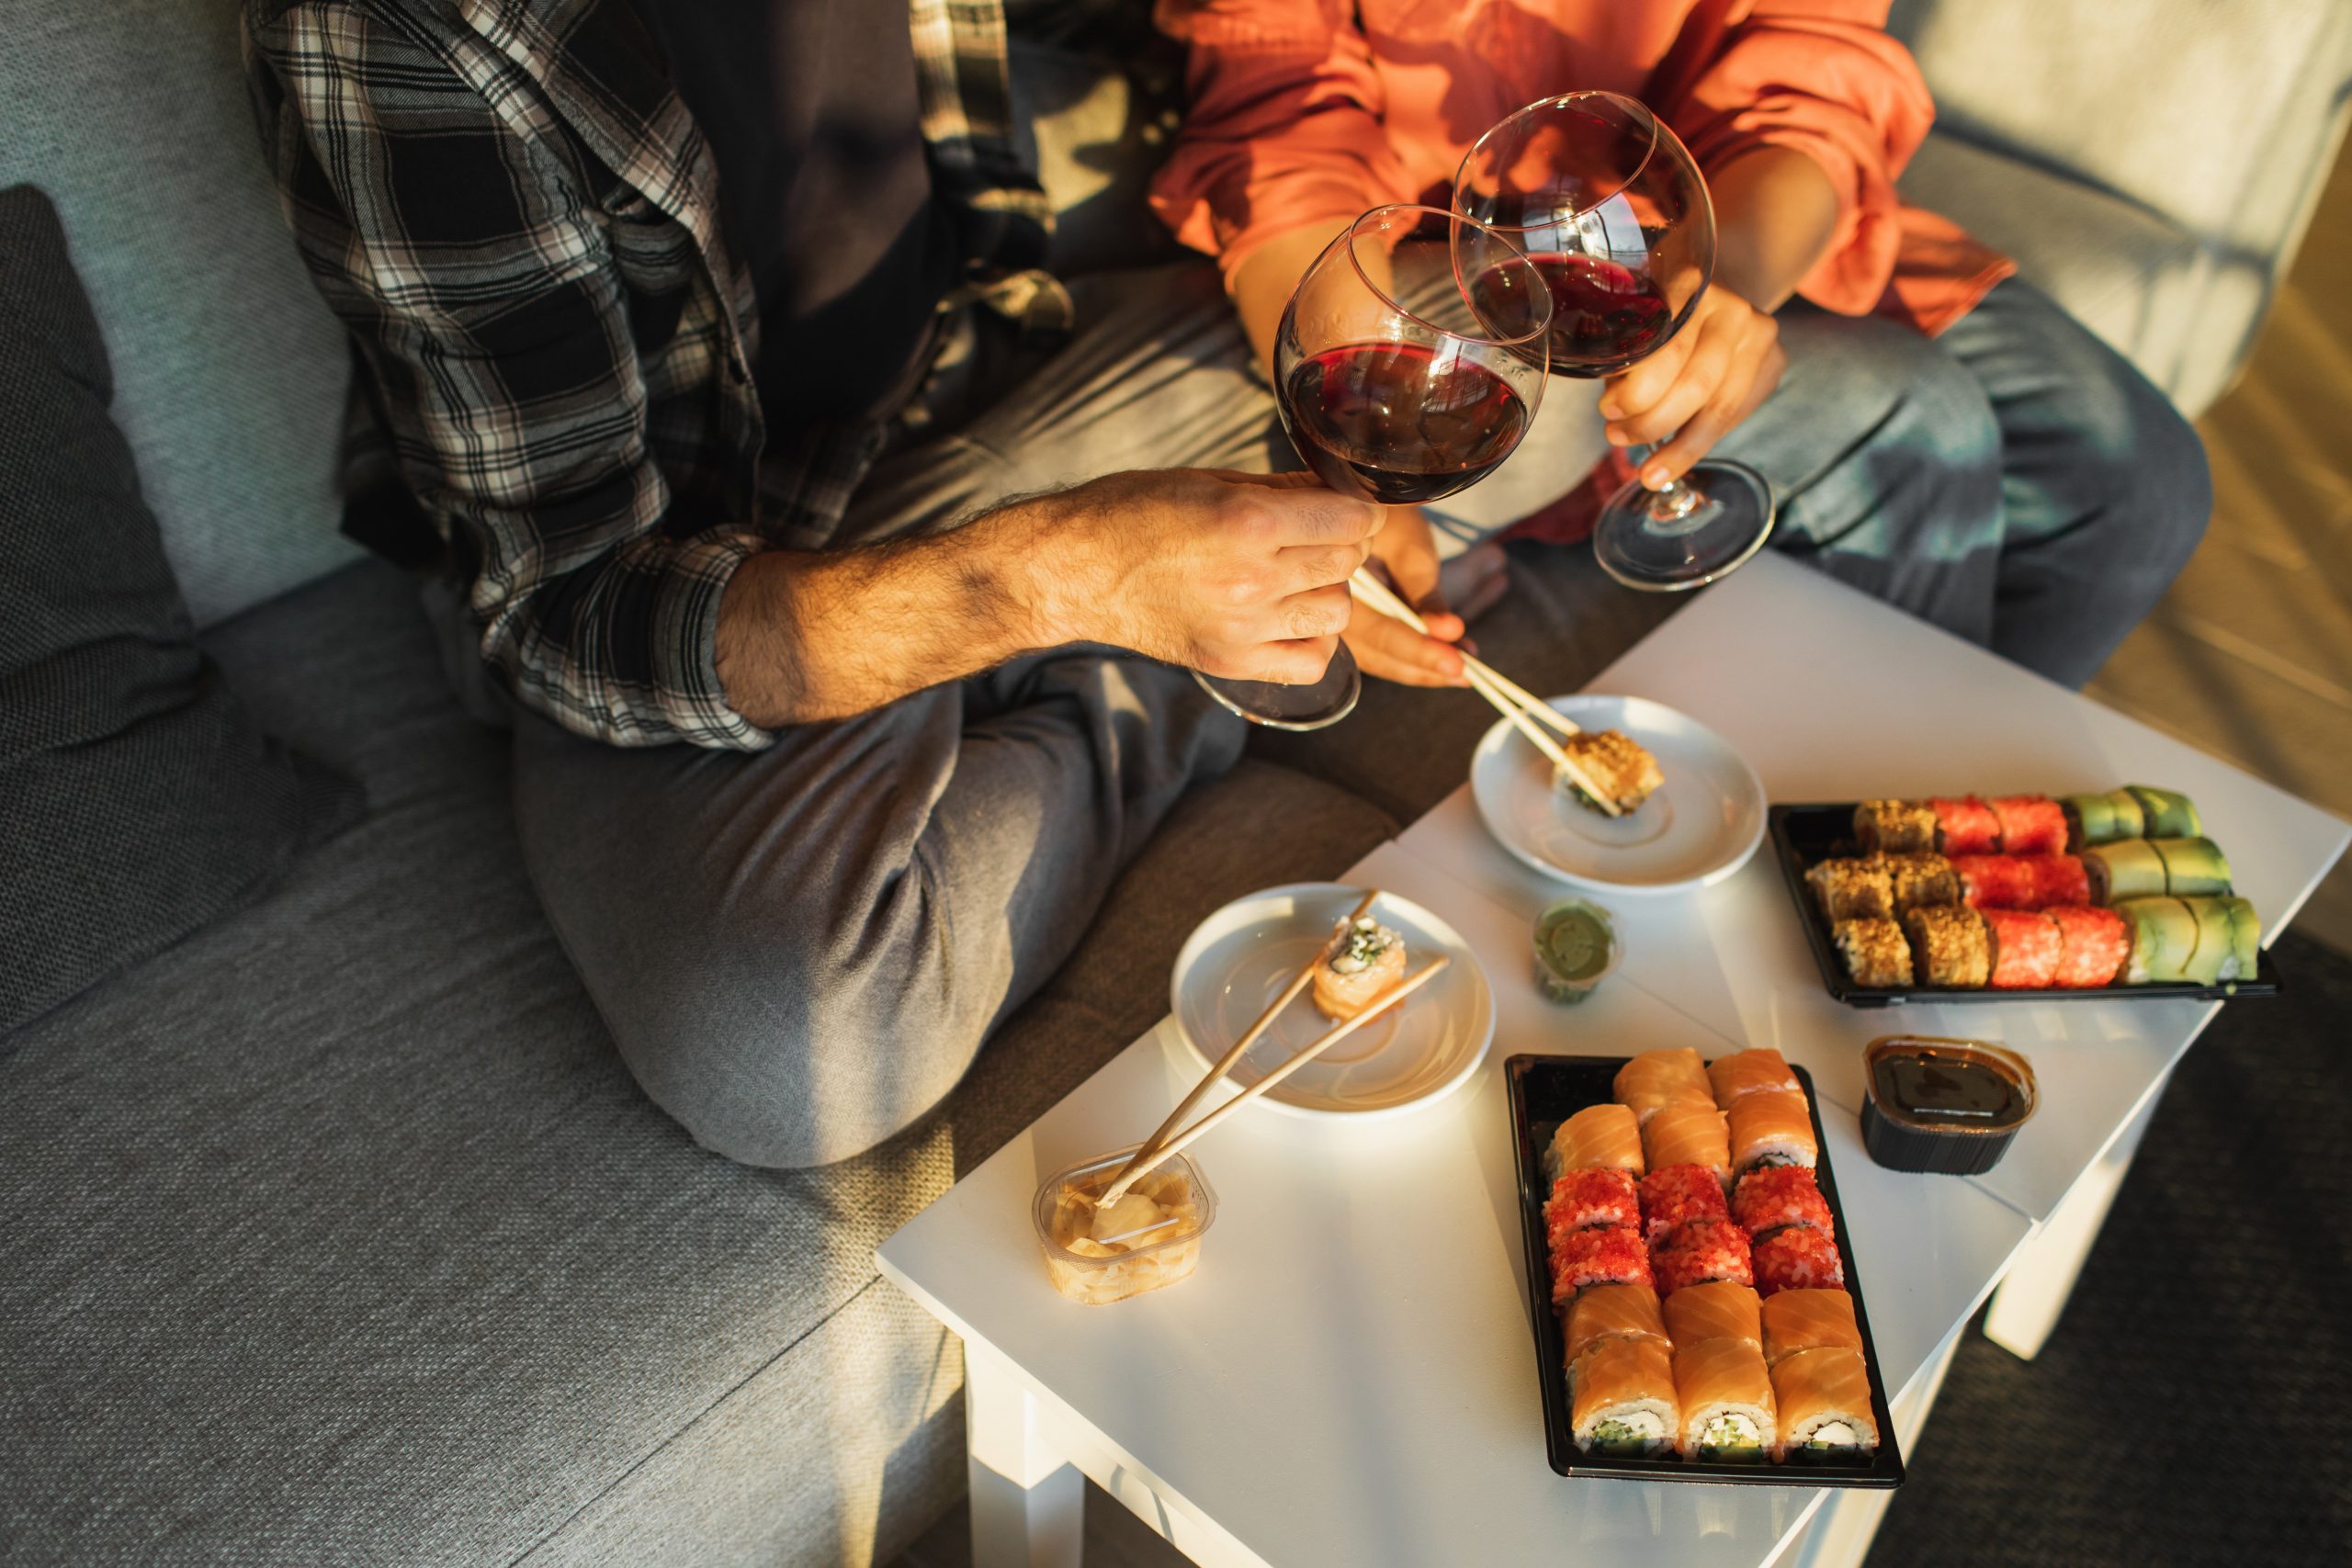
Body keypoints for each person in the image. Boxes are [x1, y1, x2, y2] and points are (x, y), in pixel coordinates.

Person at [243, 0, 1530, 1170]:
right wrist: (1056, 576)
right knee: (783, 1049)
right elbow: (567, 609)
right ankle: (1151, 658)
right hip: (700, 570)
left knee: (1503, 359)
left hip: (978, 368)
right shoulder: (393, 25)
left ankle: (1144, 621)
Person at [1149, 0, 2213, 690]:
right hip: (1445, 265)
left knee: (2140, 486)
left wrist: (1726, 282)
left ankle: (1965, 826)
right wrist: (1350, 426)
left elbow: (1815, 81)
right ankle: (1870, 851)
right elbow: (1278, 125)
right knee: (1917, 425)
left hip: (1734, 217)